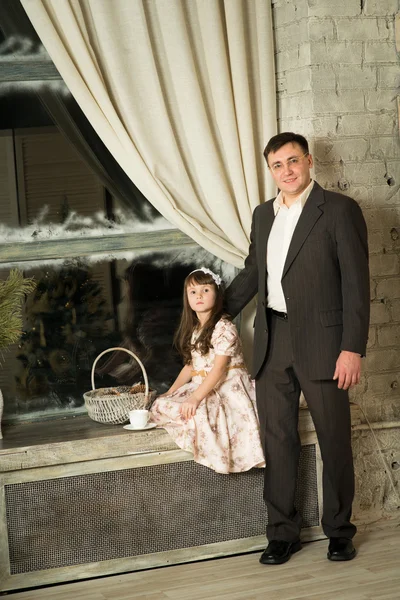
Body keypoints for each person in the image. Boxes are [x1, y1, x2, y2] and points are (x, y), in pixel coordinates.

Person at [225, 132, 370, 564]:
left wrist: (352, 349)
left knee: (334, 439)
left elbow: (357, 287)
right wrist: (214, 313)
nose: (286, 171)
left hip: (327, 344)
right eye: (277, 165)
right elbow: (255, 272)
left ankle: (340, 530)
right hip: (273, 340)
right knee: (278, 440)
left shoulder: (340, 211)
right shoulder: (262, 216)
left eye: (293, 161)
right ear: (270, 171)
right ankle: (282, 534)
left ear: (308, 162)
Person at [150, 267, 265, 474]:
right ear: (187, 298)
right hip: (203, 384)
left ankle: (218, 455)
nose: (199, 296)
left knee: (199, 412)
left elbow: (219, 369)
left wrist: (195, 398)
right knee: (163, 403)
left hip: (226, 387)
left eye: (205, 290)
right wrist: (171, 391)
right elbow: (191, 366)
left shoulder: (224, 327)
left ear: (217, 294)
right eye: (193, 292)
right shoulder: (195, 329)